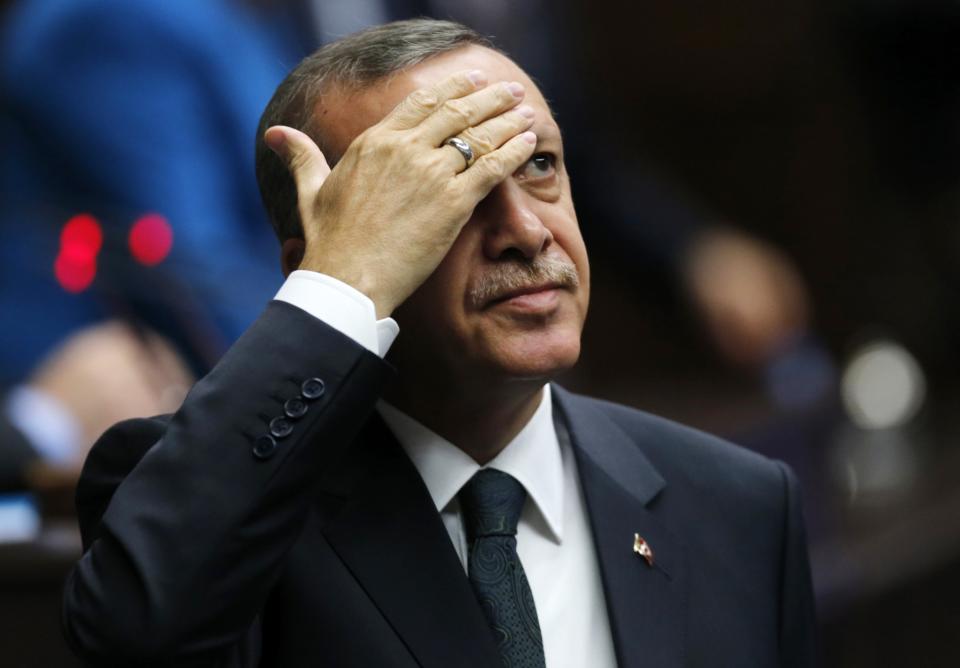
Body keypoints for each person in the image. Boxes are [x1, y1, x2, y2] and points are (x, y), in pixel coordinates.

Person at [62, 19, 816, 667]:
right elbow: (135, 638)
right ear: (322, 259)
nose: (526, 231)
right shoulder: (219, 518)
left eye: (540, 166)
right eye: (443, 187)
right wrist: (340, 289)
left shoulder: (738, 504)